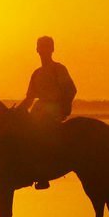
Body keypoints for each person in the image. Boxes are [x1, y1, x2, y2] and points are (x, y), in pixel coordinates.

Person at [18, 36, 77, 189]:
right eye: (40, 47)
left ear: (52, 49)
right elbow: (29, 98)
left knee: (40, 132)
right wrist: (17, 112)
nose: (43, 50)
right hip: (39, 108)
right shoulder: (36, 73)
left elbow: (71, 90)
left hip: (54, 108)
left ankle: (44, 175)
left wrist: (65, 107)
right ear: (37, 50)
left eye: (46, 47)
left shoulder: (58, 69)